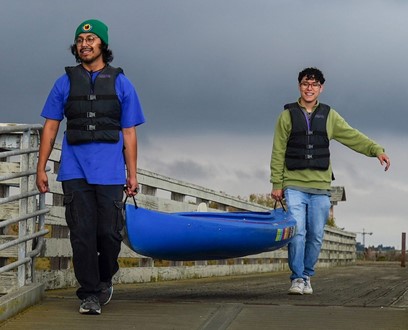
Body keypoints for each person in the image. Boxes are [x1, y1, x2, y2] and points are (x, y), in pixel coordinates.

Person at [36, 19, 145, 314]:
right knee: (81, 235)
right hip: (74, 170)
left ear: (102, 45)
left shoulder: (122, 83)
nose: (85, 44)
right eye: (81, 40)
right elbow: (50, 127)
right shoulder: (64, 82)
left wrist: (132, 174)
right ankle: (89, 294)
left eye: (91, 39)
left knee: (109, 235)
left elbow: (130, 133)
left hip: (110, 172)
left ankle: (105, 277)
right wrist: (41, 166)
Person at [270, 67, 390, 295]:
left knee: (315, 235)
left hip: (321, 187)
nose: (309, 88)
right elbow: (277, 150)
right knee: (298, 232)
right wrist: (277, 183)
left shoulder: (329, 115)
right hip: (294, 185)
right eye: (305, 84)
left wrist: (376, 150)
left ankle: (306, 275)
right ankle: (296, 278)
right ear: (299, 86)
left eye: (314, 85)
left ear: (321, 88)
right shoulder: (286, 116)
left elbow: (352, 136)